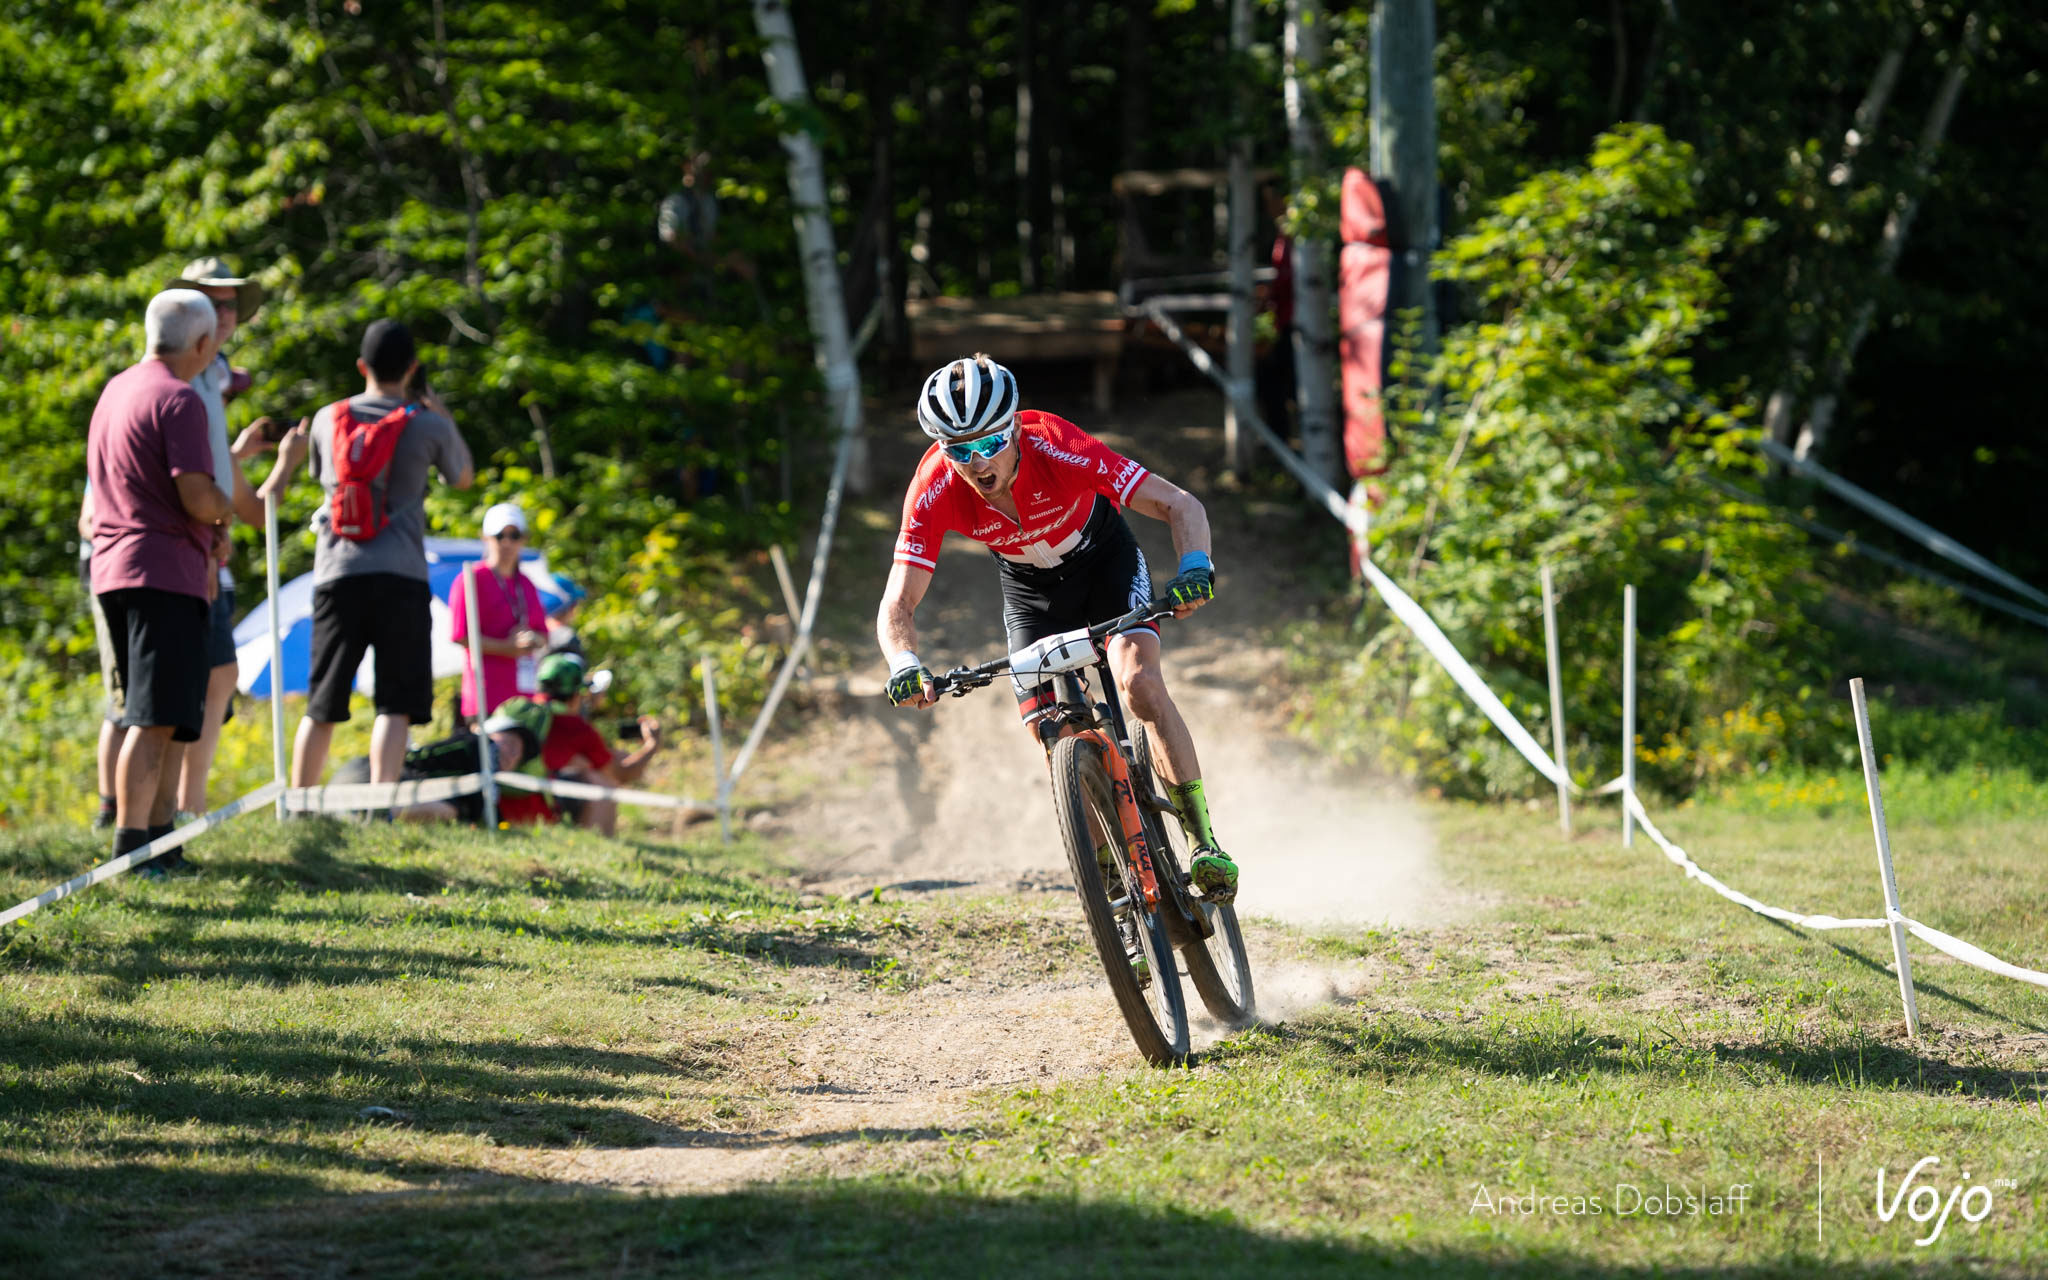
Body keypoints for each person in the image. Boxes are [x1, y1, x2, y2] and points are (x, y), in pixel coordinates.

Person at [874, 354, 1239, 909]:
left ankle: (1203, 841)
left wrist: (1194, 567)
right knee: (1050, 733)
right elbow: (898, 601)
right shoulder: (934, 487)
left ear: (1015, 429)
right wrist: (904, 663)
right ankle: (1108, 880)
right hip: (1031, 596)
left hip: (1105, 565)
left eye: (989, 443)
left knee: (1140, 685)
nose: (978, 463)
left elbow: (1178, 503)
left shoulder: (1057, 445)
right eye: (960, 451)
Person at [257, 319, 475, 790]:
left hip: (337, 572)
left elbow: (320, 475)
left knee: (323, 701)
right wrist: (444, 417)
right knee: (395, 704)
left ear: (362, 366)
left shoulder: (326, 418)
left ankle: (300, 802)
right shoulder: (428, 424)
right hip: (402, 574)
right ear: (412, 368)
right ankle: (382, 803)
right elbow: (462, 477)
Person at [87, 289, 233, 877]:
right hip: (161, 574)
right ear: (201, 343)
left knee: (168, 715)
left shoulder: (115, 391)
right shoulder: (179, 398)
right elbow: (197, 495)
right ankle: (131, 851)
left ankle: (161, 843)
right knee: (151, 719)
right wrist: (223, 511)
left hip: (115, 569)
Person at [164, 256, 279, 822]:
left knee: (215, 677)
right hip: (187, 537)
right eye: (214, 301)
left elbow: (212, 465)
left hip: (207, 534)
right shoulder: (184, 372)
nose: (226, 312)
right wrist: (210, 530)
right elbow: (187, 469)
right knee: (190, 682)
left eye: (233, 302)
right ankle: (167, 813)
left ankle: (183, 808)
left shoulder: (214, 371)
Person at [499, 653, 664, 835]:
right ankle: (601, 839)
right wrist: (652, 746)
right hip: (536, 813)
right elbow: (622, 774)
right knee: (602, 782)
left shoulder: (519, 710)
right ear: (576, 694)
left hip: (497, 804)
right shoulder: (575, 727)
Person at [330, 697, 551, 826]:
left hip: (386, 784)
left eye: (518, 756)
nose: (511, 755)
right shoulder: (473, 744)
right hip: (369, 777)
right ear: (492, 732)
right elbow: (417, 760)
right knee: (449, 809)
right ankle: (371, 815)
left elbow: (485, 812)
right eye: (510, 744)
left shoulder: (489, 778)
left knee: (452, 809)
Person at [447, 502, 548, 718]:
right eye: (500, 535)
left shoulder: (526, 583)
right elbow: (460, 636)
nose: (507, 542)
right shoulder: (471, 579)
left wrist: (531, 639)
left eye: (514, 535)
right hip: (486, 697)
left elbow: (544, 635)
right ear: (485, 538)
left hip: (524, 699)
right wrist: (506, 647)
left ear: (523, 539)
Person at [1254, 183, 1297, 441]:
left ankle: (1281, 441)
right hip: (1284, 321)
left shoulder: (1294, 235)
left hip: (1295, 322)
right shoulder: (1284, 234)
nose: (1269, 208)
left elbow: (1288, 280)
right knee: (1272, 381)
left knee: (1274, 381)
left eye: (1272, 200)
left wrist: (1268, 294)